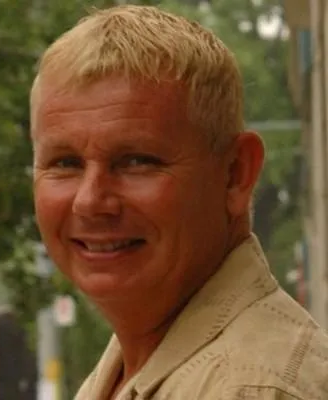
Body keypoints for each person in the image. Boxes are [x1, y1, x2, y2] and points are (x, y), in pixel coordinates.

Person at [30, 5, 328, 400]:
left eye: (137, 161)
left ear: (235, 174)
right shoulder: (137, 362)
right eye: (64, 163)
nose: (90, 202)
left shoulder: (249, 389)